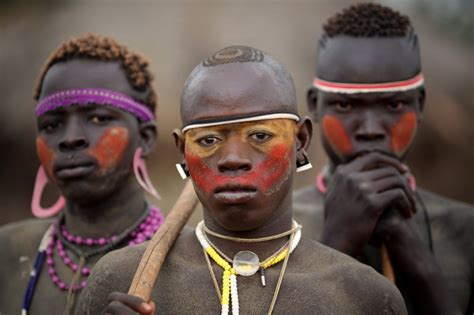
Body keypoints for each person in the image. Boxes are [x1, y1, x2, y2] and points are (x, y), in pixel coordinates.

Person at [76, 45, 406, 314]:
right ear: (182, 151)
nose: (233, 158)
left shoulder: (367, 297)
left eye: (260, 135)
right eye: (208, 140)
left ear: (301, 140)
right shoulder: (120, 281)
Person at [293, 3, 473, 314]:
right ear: (315, 105)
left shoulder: (466, 228)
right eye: (346, 106)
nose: (371, 130)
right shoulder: (275, 225)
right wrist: (337, 244)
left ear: (419, 105)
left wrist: (414, 257)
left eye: (393, 105)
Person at [0, 33, 165, 314]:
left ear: (146, 137)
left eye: (98, 118)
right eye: (51, 125)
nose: (70, 138)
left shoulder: (183, 261)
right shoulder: (9, 250)